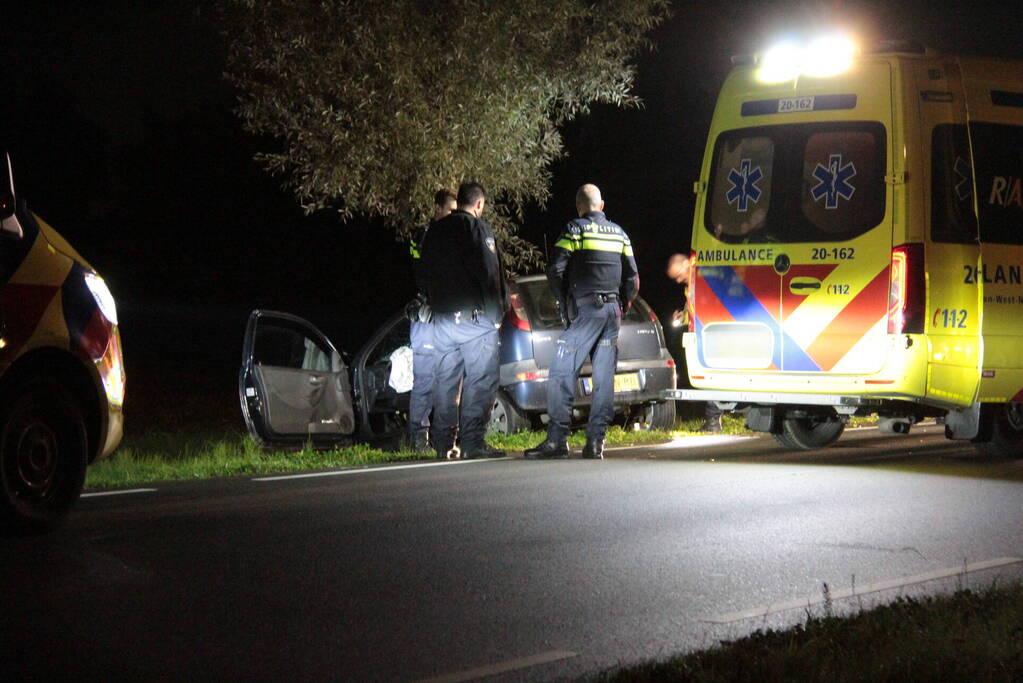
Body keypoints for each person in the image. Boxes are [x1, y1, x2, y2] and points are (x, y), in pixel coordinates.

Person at [525, 184, 639, 460]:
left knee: (561, 372)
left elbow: (555, 270)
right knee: (603, 378)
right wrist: (623, 305)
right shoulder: (620, 233)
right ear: (601, 205)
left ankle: (557, 440)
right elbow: (633, 279)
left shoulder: (575, 229)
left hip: (586, 311)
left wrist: (565, 306)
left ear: (579, 207)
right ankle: (595, 442)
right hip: (612, 312)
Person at [419, 181, 507, 459]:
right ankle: (472, 443)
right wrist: (496, 315)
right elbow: (489, 274)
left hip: (442, 321)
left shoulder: (434, 231)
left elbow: (423, 272)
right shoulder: (477, 228)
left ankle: (444, 444)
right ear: (478, 204)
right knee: (480, 381)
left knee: (445, 383)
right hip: (474, 322)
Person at [406, 189, 458, 452]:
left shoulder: (453, 236)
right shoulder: (424, 235)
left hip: (447, 318)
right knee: (425, 380)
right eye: (450, 211)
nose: (453, 217)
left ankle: (445, 439)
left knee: (449, 379)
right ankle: (419, 437)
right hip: (428, 318)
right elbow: (424, 273)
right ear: (438, 209)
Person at [666, 253, 724, 433]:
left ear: (686, 264)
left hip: (716, 330)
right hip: (705, 332)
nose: (678, 280)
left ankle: (713, 421)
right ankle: (713, 420)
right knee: (710, 376)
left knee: (713, 376)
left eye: (678, 275)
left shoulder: (705, 272)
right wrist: (682, 317)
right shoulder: (693, 281)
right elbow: (694, 306)